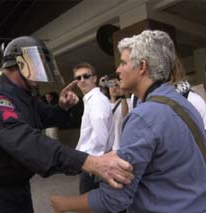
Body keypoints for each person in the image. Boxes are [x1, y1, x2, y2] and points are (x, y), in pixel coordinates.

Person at [0, 36, 133, 213]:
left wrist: (62, 107)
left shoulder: (22, 94)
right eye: (37, 64)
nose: (41, 70)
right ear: (19, 64)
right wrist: (89, 162)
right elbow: (26, 142)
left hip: (15, 187)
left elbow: (43, 115)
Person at [50, 30, 206, 212]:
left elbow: (114, 199)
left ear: (142, 67)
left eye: (123, 63)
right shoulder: (182, 101)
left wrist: (63, 204)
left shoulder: (144, 115)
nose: (117, 70)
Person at [73, 62, 113, 194]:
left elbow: (102, 139)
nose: (82, 80)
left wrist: (95, 165)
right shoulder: (92, 100)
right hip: (92, 165)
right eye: (78, 78)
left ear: (95, 78)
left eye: (86, 76)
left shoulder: (96, 100)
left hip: (93, 166)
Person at [107, 74, 130, 150]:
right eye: (110, 85)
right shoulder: (104, 103)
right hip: (107, 148)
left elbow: (125, 116)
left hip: (119, 146)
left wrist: (123, 96)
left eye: (116, 85)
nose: (113, 88)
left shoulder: (127, 102)